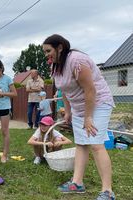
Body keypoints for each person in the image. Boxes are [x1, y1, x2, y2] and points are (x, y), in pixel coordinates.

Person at [43, 34, 115, 200]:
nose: (46, 55)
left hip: (98, 103)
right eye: (45, 52)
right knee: (81, 144)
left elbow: (90, 90)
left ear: (59, 47)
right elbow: (65, 91)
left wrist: (88, 118)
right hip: (79, 107)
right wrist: (68, 112)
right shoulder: (55, 66)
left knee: (96, 144)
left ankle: (108, 191)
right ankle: (77, 183)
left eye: (48, 50)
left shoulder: (76, 61)